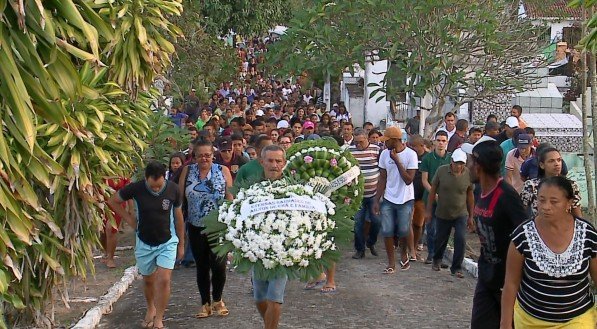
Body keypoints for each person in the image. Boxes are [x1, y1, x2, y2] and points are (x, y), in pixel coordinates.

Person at [500, 176, 596, 328]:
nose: (545, 206)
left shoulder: (587, 235)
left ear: (569, 203)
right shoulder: (522, 235)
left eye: (554, 201)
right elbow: (511, 283)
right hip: (530, 321)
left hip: (578, 320)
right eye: (541, 200)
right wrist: (505, 323)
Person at [107, 161, 185, 329]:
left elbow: (178, 218)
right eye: (152, 186)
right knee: (148, 280)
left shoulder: (173, 189)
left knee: (164, 280)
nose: (156, 190)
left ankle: (159, 318)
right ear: (146, 179)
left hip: (167, 240)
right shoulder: (136, 188)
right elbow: (113, 201)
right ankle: (151, 308)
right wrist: (129, 219)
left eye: (159, 186)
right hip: (144, 240)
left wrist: (181, 244)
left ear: (165, 178)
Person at [459, 137, 526, 329]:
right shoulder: (481, 190)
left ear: (478, 167)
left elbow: (526, 236)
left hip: (507, 283)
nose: (467, 165)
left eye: (470, 161)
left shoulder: (506, 196)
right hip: (487, 278)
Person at [179, 140, 234, 319]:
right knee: (201, 265)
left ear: (213, 155)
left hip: (218, 226)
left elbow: (230, 198)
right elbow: (179, 198)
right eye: (200, 155)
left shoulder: (222, 171)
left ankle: (218, 299)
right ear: (194, 156)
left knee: (218, 265)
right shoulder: (188, 171)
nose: (204, 158)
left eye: (207, 155)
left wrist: (231, 225)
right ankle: (205, 303)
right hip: (195, 225)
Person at [252, 144, 289, 329]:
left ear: (284, 163)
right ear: (262, 162)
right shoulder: (252, 188)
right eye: (270, 160)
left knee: (275, 297)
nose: (274, 165)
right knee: (260, 298)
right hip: (258, 250)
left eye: (278, 161)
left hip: (282, 252)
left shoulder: (293, 189)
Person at [373, 126, 418, 273]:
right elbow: (383, 178)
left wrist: (397, 161)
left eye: (387, 140)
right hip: (389, 198)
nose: (384, 143)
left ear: (395, 140)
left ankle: (403, 253)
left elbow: (408, 180)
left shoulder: (411, 155)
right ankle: (391, 263)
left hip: (405, 199)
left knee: (404, 230)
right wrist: (376, 200)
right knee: (387, 230)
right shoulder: (384, 154)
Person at [425, 149, 474, 277]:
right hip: (443, 211)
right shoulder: (442, 171)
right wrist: (429, 211)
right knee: (441, 238)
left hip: (461, 212)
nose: (459, 166)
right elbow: (432, 190)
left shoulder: (467, 173)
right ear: (451, 162)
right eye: (457, 163)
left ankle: (456, 267)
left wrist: (471, 216)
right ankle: (437, 259)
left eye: (462, 164)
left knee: (460, 238)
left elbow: (470, 194)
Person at [520, 147, 582, 218]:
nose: (556, 164)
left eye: (559, 160)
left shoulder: (571, 185)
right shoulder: (531, 185)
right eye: (551, 161)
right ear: (542, 165)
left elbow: (577, 214)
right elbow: (521, 212)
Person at [420, 130, 452, 264]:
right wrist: (435, 194)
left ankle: (440, 256)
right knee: (431, 228)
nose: (441, 143)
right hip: (430, 198)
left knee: (443, 229)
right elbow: (424, 180)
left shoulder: (451, 158)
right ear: (434, 142)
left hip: (447, 199)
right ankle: (431, 254)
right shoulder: (427, 158)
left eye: (443, 141)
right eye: (438, 140)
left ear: (447, 142)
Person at [349, 128, 381, 259]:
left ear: (367, 138)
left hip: (374, 193)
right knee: (358, 223)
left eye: (361, 142)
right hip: (358, 194)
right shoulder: (349, 151)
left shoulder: (376, 150)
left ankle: (371, 241)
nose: (358, 145)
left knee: (377, 221)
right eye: (356, 142)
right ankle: (359, 249)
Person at [101, 177, 131, 269]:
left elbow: (128, 191)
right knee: (102, 232)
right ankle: (106, 252)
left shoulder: (122, 174)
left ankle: (111, 258)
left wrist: (130, 208)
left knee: (111, 229)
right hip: (102, 204)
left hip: (118, 204)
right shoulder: (100, 170)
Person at [408, 134, 428, 258]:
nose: (412, 148)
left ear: (421, 146)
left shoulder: (427, 158)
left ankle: (414, 248)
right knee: (406, 224)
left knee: (418, 224)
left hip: (421, 197)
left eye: (414, 146)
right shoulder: (409, 156)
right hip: (408, 196)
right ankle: (407, 248)